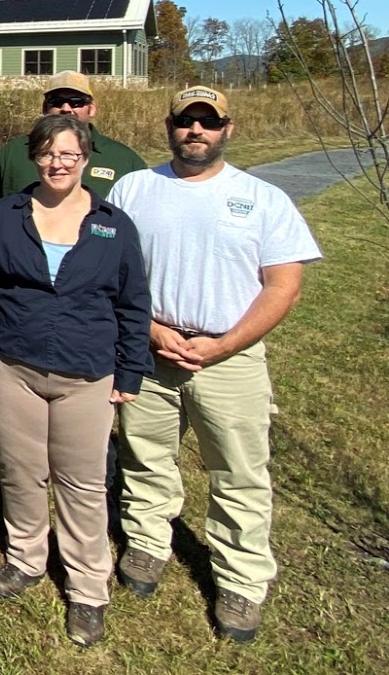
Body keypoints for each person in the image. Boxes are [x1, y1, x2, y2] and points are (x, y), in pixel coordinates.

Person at [109, 86, 321, 643]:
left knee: (239, 471)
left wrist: (224, 345)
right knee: (145, 455)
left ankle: (242, 580)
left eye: (208, 121)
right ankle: (148, 544)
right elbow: (111, 270)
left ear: (228, 128)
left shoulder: (263, 198)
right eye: (185, 121)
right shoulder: (135, 188)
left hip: (229, 357)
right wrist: (151, 330)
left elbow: (283, 286)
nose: (195, 131)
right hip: (151, 351)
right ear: (169, 125)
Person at [0, 114, 152, 648]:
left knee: (82, 479)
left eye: (69, 154)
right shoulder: (6, 215)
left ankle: (88, 589)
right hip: (15, 362)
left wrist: (131, 367)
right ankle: (26, 557)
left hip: (87, 370)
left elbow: (133, 301)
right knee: (19, 469)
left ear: (86, 160)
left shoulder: (113, 224)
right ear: (34, 157)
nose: (58, 163)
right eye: (47, 153)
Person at [0, 71, 146, 216]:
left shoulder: (124, 160)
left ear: (91, 108)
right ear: (44, 107)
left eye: (76, 101)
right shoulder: (12, 154)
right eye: (56, 101)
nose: (66, 108)